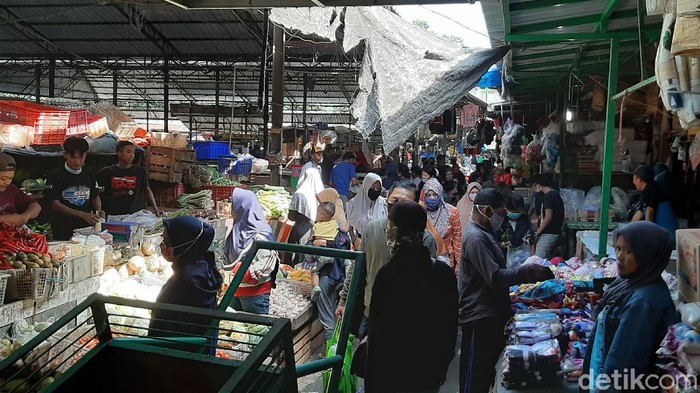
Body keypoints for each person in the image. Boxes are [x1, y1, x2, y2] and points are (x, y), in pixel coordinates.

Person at [459, 189, 554, 393]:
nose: (501, 219)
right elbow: (495, 277)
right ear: (486, 210)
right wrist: (525, 272)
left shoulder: (485, 233)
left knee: (484, 371)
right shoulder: (476, 238)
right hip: (478, 315)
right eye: (500, 214)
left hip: (490, 311)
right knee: (474, 376)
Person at [365, 201, 457, 393]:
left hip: (392, 375)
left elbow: (377, 336)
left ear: (396, 231)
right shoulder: (442, 273)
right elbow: (449, 328)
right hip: (428, 372)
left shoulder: (387, 275)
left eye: (389, 227)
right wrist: (439, 368)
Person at [582, 222, 678, 390]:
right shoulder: (629, 283)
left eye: (628, 251)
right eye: (618, 248)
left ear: (648, 255)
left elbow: (623, 364)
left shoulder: (643, 301)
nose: (619, 256)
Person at [337, 182, 438, 339]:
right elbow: (358, 265)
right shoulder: (373, 229)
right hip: (371, 310)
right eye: (394, 201)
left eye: (404, 203)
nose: (398, 207)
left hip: (409, 316)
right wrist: (344, 300)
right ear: (386, 201)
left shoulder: (426, 239)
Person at [149, 216, 223, 338]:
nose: (162, 246)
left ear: (182, 245)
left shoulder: (190, 279)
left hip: (178, 348)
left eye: (167, 242)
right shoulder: (199, 267)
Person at [224, 188, 278, 314]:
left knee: (256, 329)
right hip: (233, 291)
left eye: (233, 204)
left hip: (255, 295)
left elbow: (267, 263)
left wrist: (242, 272)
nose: (231, 208)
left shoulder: (261, 233)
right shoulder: (238, 229)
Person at [303, 201, 351, 340]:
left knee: (327, 317)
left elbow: (309, 250)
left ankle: (331, 357)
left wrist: (317, 242)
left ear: (323, 215)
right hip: (339, 275)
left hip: (326, 277)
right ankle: (336, 349)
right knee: (336, 314)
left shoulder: (317, 228)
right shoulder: (339, 228)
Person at [45, 137, 103, 241]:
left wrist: (98, 210)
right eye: (73, 157)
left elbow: (95, 196)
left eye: (81, 157)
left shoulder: (89, 173)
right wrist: (81, 214)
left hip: (86, 229)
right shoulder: (55, 176)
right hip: (63, 229)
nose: (77, 161)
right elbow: (55, 204)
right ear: (65, 155)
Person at [98, 141, 161, 217]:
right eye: (128, 152)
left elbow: (147, 189)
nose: (132, 155)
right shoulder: (105, 172)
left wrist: (155, 209)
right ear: (119, 154)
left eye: (133, 152)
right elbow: (99, 191)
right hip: (113, 216)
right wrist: (99, 209)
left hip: (135, 215)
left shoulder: (140, 171)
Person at [422, 179, 462, 271]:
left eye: (435, 195)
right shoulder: (420, 212)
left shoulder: (451, 212)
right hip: (426, 259)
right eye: (428, 195)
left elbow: (457, 239)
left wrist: (459, 265)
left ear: (440, 194)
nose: (432, 198)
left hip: (447, 260)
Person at [286, 168, 325, 264]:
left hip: (299, 227)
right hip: (314, 227)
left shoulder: (299, 193)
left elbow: (291, 216)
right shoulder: (321, 194)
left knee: (296, 251)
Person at [631, 165, 679, 240]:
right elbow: (639, 213)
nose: (633, 182)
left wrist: (649, 235)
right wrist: (628, 229)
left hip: (668, 233)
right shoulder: (649, 189)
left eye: (634, 179)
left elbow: (649, 214)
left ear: (639, 179)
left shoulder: (652, 190)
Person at [0, 153, 41, 226]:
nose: (7, 182)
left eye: (10, 178)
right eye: (3, 179)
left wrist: (25, 216)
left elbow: (35, 206)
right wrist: (7, 219)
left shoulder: (11, 189)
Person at [531, 174, 565, 259]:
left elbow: (548, 217)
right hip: (554, 232)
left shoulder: (549, 196)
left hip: (549, 233)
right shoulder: (554, 194)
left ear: (538, 185)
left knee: (538, 260)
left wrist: (538, 232)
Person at [346, 172, 387, 238]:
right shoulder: (353, 205)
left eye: (378, 188)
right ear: (366, 186)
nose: (375, 190)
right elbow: (350, 226)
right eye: (372, 187)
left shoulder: (383, 204)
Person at [498, 194, 535, 265]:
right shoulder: (501, 220)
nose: (515, 214)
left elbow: (531, 237)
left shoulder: (525, 219)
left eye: (517, 212)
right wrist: (501, 244)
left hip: (522, 256)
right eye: (512, 211)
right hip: (504, 255)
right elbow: (495, 238)